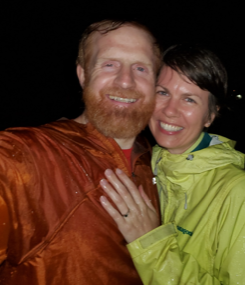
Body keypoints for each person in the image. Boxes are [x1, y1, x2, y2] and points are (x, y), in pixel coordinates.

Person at [99, 44, 245, 285]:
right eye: (163, 93)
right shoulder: (142, 166)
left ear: (210, 116)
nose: (170, 110)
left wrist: (151, 243)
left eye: (189, 99)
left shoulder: (239, 192)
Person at [0, 20, 161, 285]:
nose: (125, 80)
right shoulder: (26, 154)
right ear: (83, 74)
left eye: (141, 68)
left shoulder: (161, 164)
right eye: (109, 64)